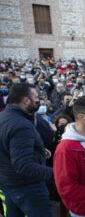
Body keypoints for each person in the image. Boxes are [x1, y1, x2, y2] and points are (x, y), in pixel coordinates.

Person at [0, 83, 53, 217]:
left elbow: (6, 146)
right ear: (26, 100)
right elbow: (23, 165)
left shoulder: (4, 117)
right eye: (36, 97)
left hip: (8, 182)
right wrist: (58, 173)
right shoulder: (21, 124)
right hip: (27, 187)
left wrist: (36, 149)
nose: (38, 100)